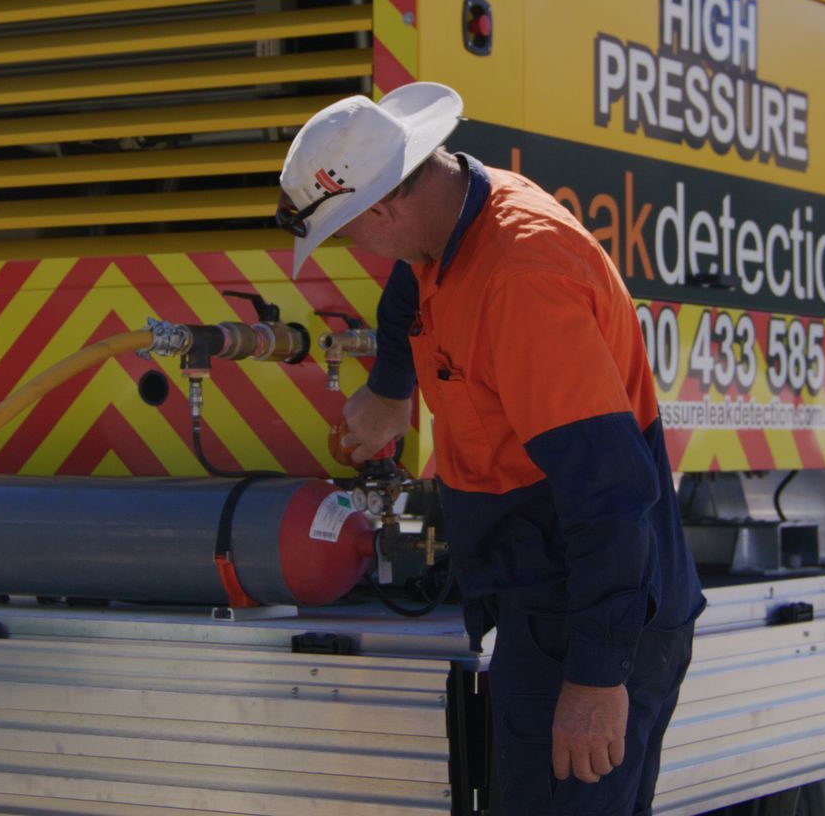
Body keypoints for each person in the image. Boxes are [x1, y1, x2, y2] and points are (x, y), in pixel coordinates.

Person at [276, 82, 703, 814]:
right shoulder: (451, 224)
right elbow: (413, 288)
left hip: (587, 612)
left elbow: (609, 492)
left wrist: (599, 678)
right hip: (547, 598)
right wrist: (389, 387)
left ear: (384, 206)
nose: (360, 251)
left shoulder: (522, 276)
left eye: (351, 233)